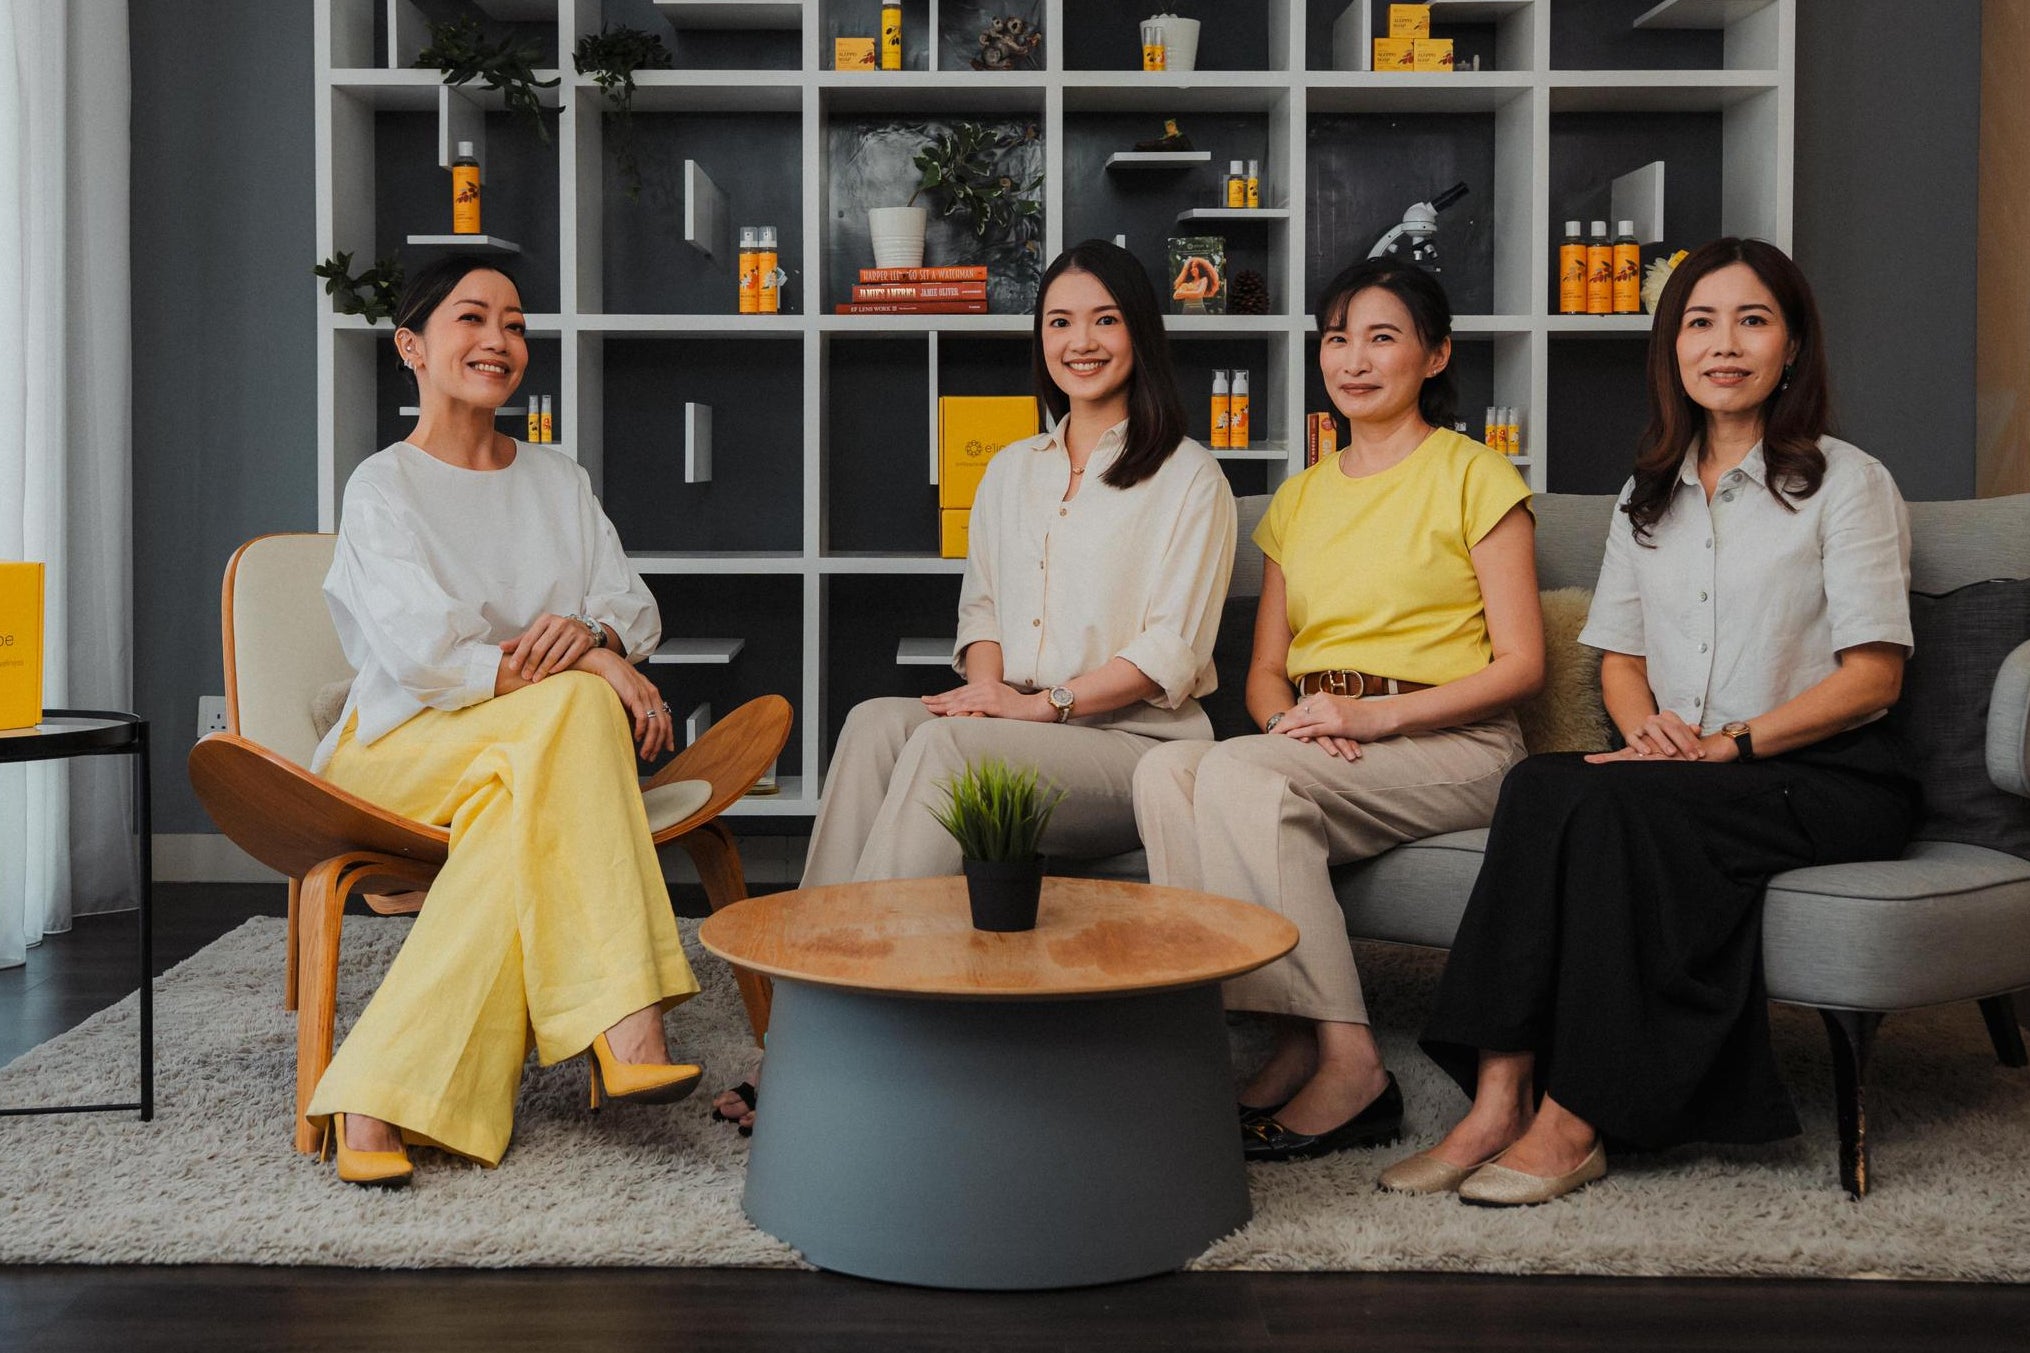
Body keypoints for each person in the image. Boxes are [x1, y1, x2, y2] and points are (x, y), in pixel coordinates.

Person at [1396, 237, 1919, 1206]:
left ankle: (1577, 1116)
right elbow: (1619, 661)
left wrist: (1729, 743)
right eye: (1699, 322)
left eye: (1752, 320)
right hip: (1694, 768)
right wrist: (1643, 733)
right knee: (1540, 784)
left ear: (1792, 347)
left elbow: (1872, 679)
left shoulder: (1846, 483)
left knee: (1612, 813)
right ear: (1670, 348)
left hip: (1832, 771)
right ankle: (1498, 1096)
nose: (1724, 344)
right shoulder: (1646, 494)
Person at [709, 238, 1236, 1134]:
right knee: (879, 722)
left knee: (952, 747)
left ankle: (853, 1035)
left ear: (1139, 335)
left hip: (1133, 745)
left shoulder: (1188, 477)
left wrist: (1032, 707)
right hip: (1026, 722)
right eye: (1060, 322)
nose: (1081, 341)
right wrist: (989, 693)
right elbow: (982, 612)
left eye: (1105, 320)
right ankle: (798, 1024)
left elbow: (1167, 653)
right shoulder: (1012, 470)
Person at [1132, 258, 1543, 1164]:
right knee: (1165, 769)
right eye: (1337, 338)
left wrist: (1370, 722)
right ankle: (1282, 1041)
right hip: (1325, 736)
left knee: (1238, 772)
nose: (1354, 359)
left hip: (1456, 740)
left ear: (1435, 356)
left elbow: (1522, 665)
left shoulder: (1476, 476)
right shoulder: (1300, 497)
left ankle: (1353, 1067)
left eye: (1383, 337)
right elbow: (1267, 672)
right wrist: (1295, 730)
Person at [307, 255, 704, 1187]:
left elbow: (634, 607)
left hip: (522, 756)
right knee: (576, 706)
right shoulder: (382, 488)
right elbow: (424, 657)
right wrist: (596, 660)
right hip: (394, 748)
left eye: (516, 324)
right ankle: (625, 1014)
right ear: (412, 346)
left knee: (522, 808)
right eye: (472, 319)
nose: (499, 341)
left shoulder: (557, 480)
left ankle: (373, 1094)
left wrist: (602, 634)